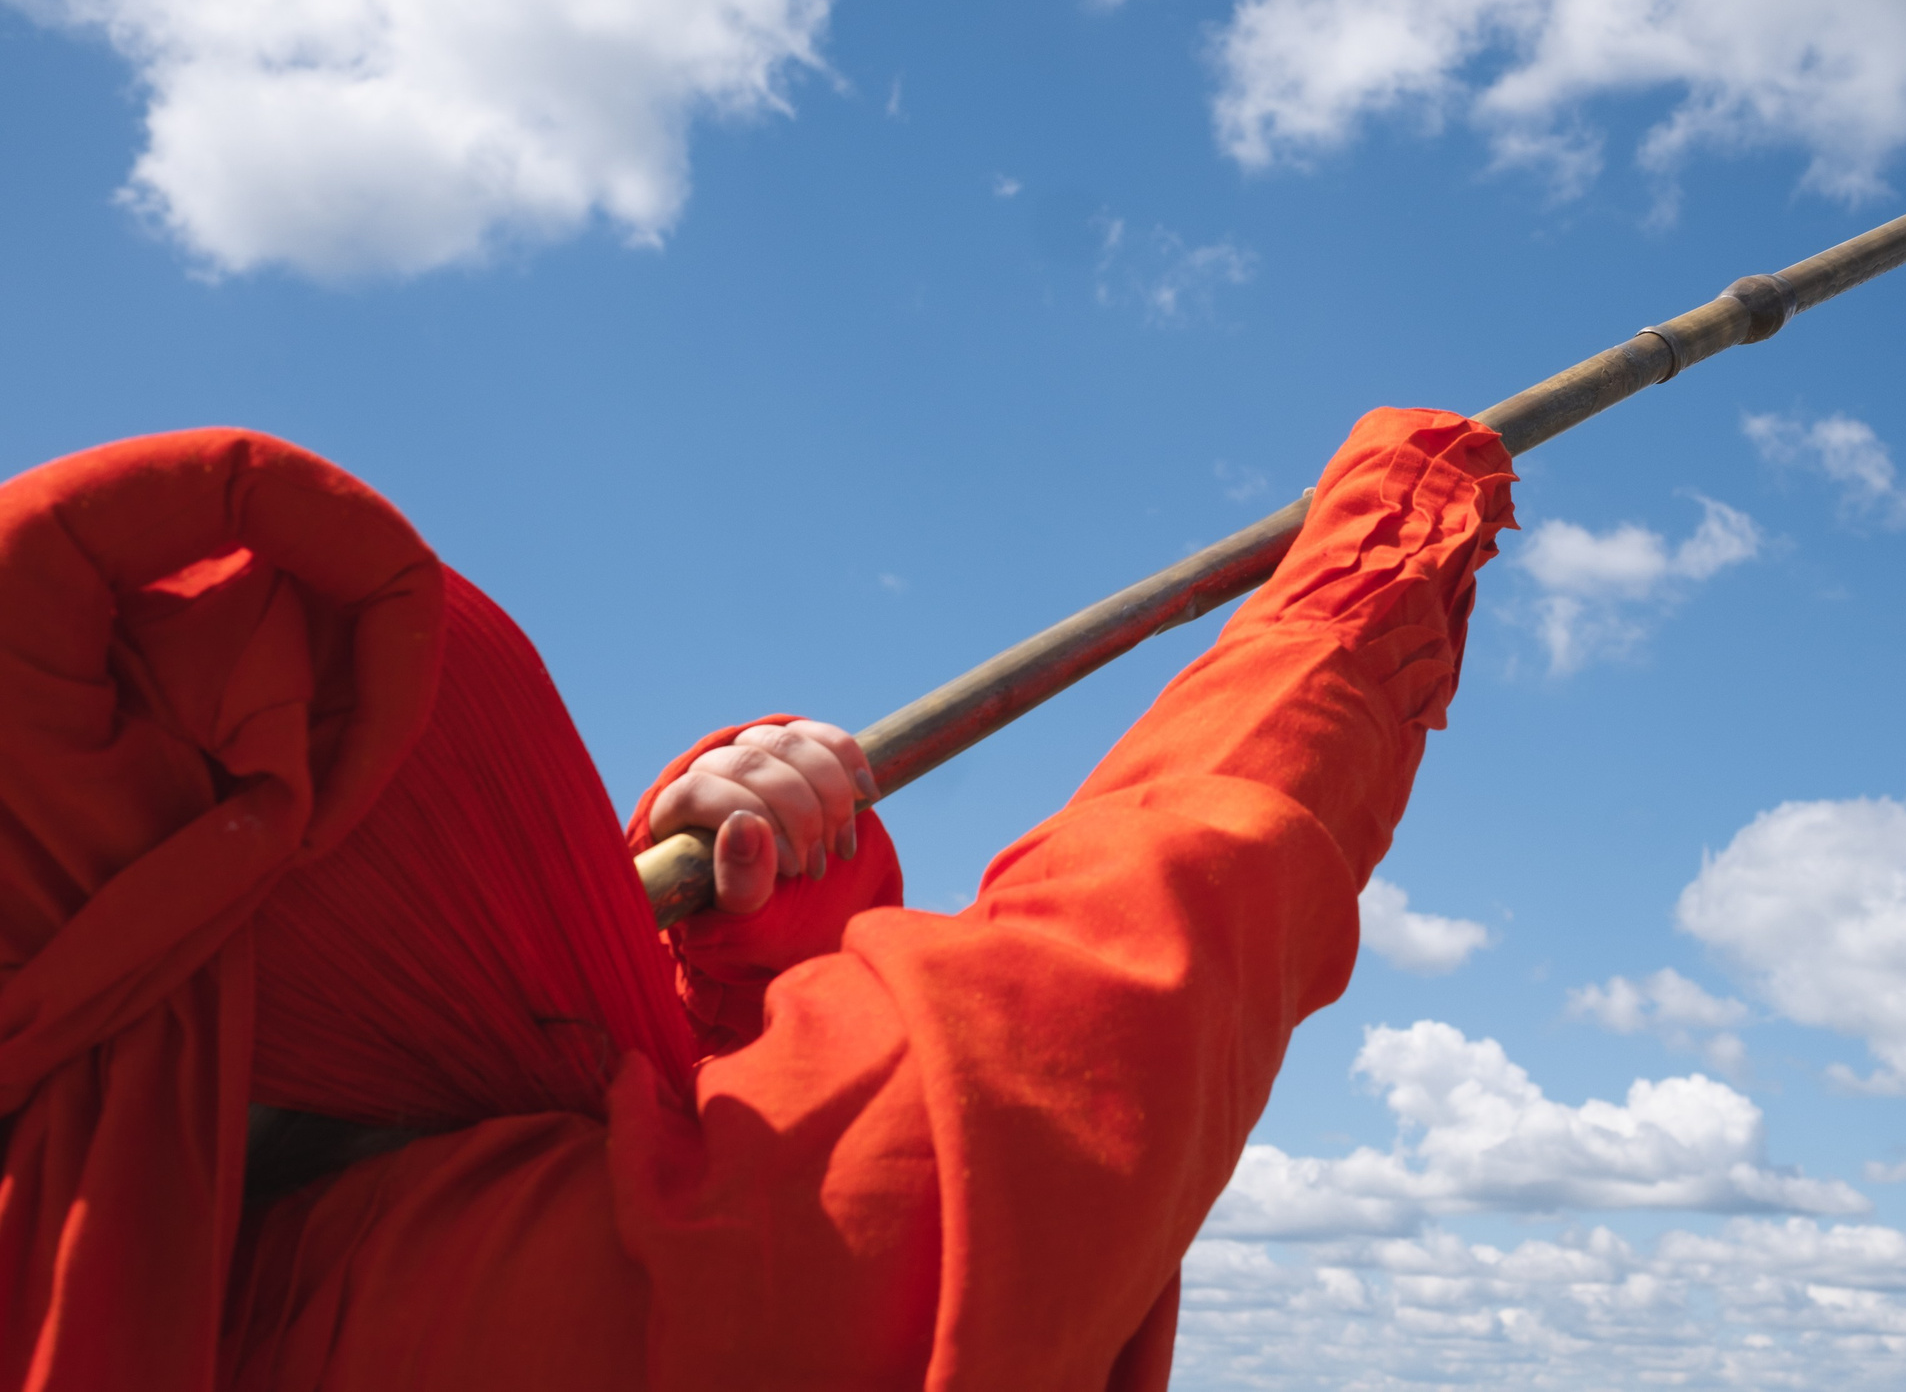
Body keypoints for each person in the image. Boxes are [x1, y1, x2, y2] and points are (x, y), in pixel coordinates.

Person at [0, 407, 1515, 1391]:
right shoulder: (491, 1301)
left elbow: (709, 1147)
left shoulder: (129, 1243)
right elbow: (1090, 1015)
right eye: (514, 831)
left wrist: (758, 947)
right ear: (402, 926)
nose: (566, 875)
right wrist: (1371, 570)